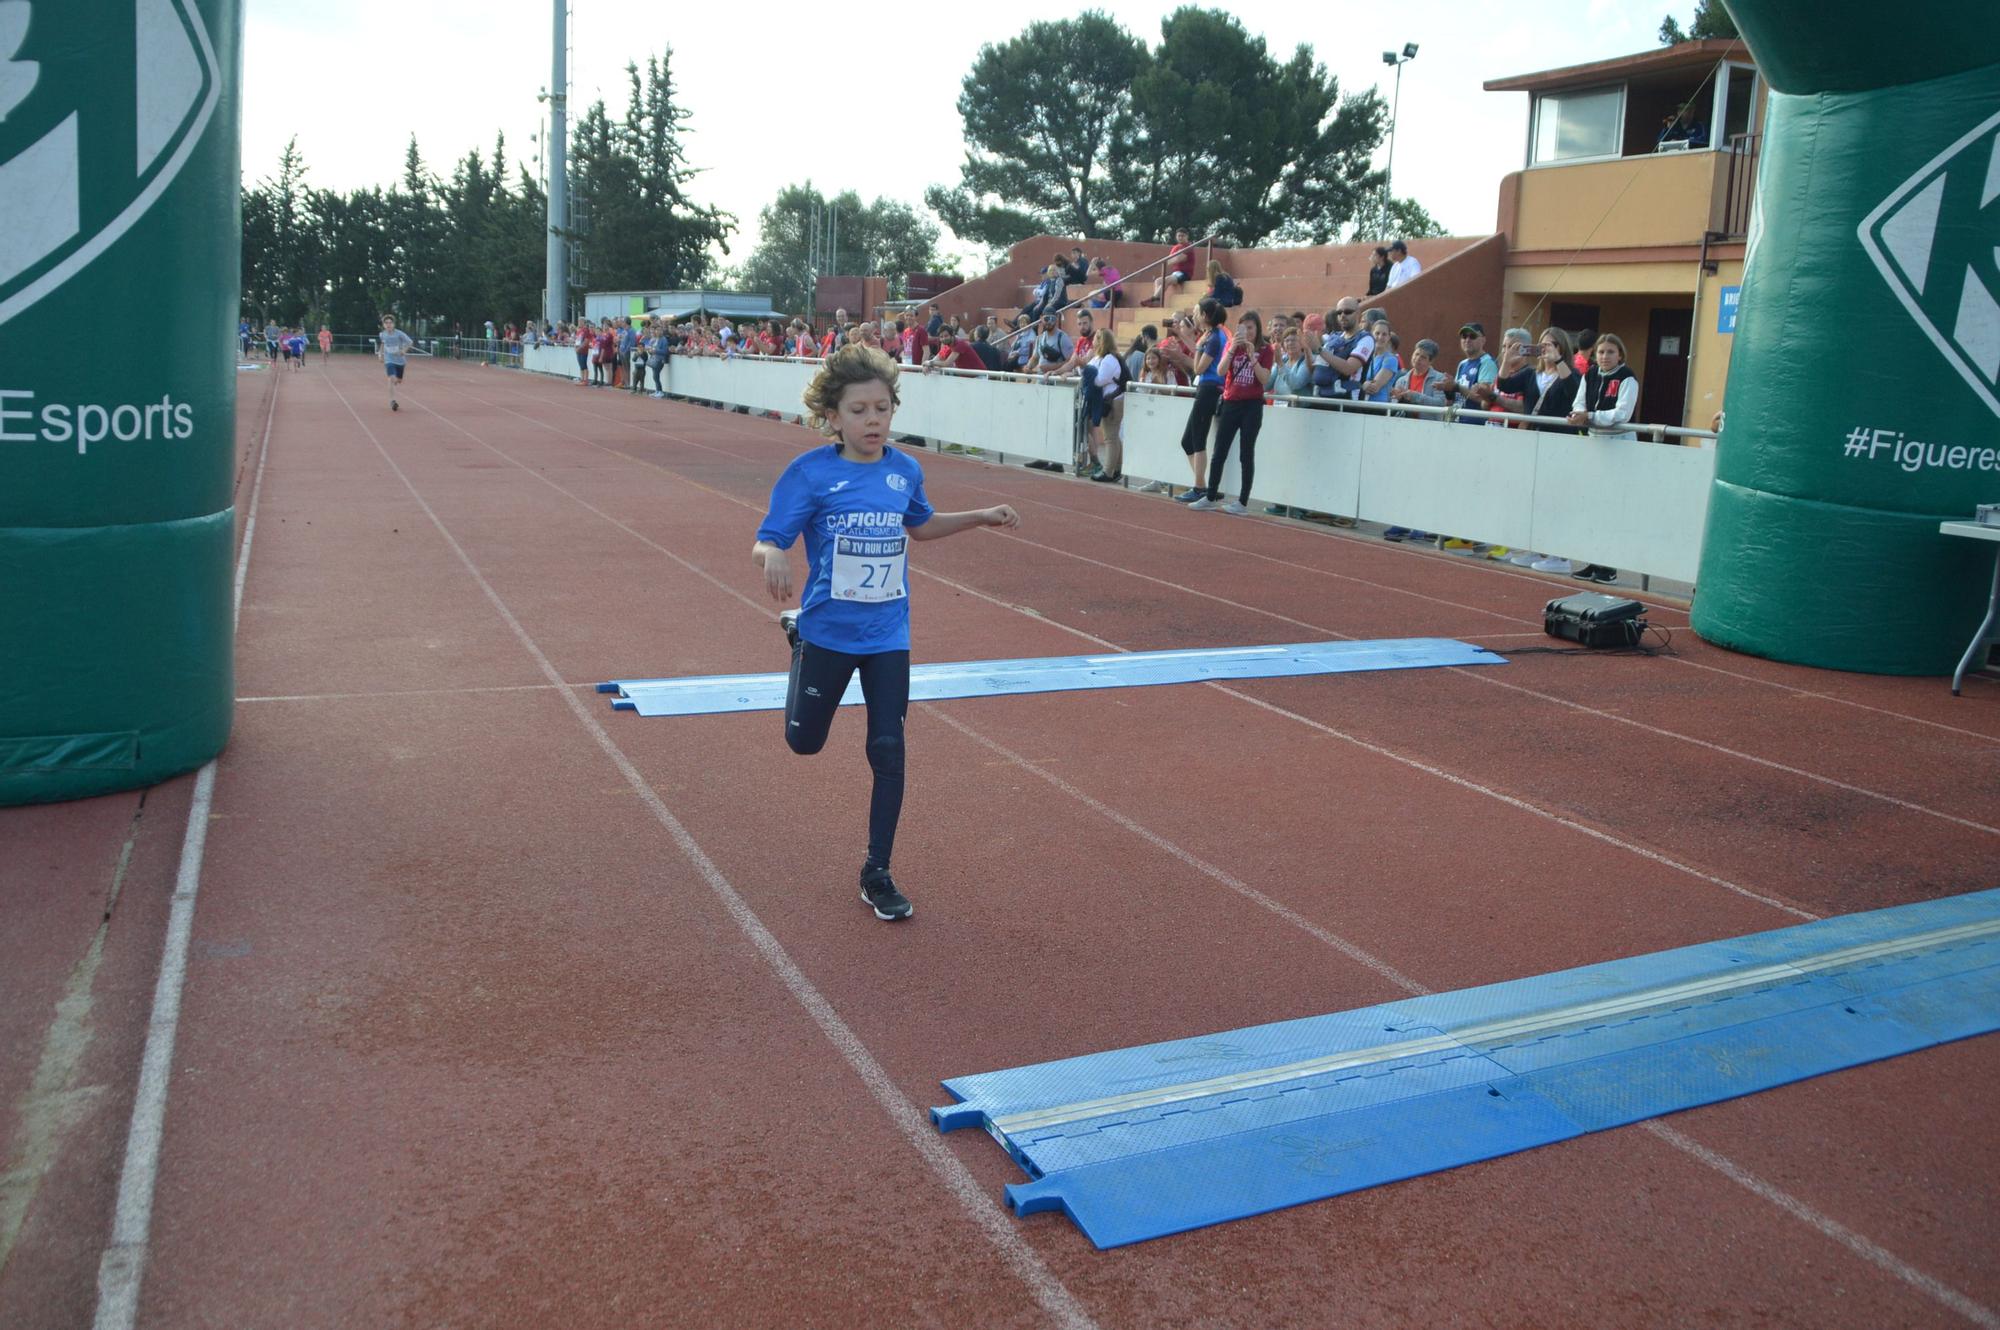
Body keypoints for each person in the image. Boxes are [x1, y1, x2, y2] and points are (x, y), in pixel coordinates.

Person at [751, 345, 1020, 922]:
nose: (873, 420)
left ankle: (877, 872)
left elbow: (920, 526)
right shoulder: (810, 474)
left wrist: (979, 516)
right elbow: (768, 538)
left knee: (888, 748)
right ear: (832, 416)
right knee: (804, 743)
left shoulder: (905, 470)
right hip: (828, 632)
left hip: (887, 634)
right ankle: (798, 640)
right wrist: (772, 553)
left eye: (882, 408)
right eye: (859, 411)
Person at [1189, 310, 1272, 514]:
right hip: (1231, 403)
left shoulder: (1265, 349)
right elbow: (1220, 371)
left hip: (1252, 405)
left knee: (1246, 453)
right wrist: (1233, 349)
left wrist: (1252, 356)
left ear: (1257, 328)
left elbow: (1264, 379)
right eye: (1243, 328)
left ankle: (1242, 502)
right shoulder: (1231, 345)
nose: (1247, 332)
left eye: (1251, 328)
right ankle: (1210, 496)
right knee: (1219, 452)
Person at [1168, 300, 1228, 503]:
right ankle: (1203, 485)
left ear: (1205, 315)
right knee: (1188, 441)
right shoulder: (1210, 335)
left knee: (1197, 440)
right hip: (1206, 388)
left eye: (1196, 313)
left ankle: (1200, 487)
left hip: (1209, 389)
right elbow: (1200, 355)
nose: (1193, 316)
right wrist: (1186, 338)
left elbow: (1199, 368)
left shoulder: (1214, 338)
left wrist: (1198, 348)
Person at [1086, 329, 1126, 483]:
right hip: (1110, 400)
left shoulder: (1109, 359)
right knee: (1113, 436)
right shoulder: (1103, 358)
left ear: (1101, 341)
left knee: (1110, 437)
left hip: (1113, 401)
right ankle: (1117, 469)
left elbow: (1099, 380)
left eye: (1096, 338)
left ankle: (1108, 471)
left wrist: (1088, 371)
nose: (1093, 341)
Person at [377, 314, 413, 411]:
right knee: (391, 378)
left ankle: (396, 380)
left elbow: (410, 342)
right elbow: (383, 344)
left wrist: (404, 350)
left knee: (398, 380)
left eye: (390, 323)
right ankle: (392, 401)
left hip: (400, 361)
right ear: (383, 325)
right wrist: (380, 355)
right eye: (386, 323)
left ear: (394, 324)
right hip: (389, 360)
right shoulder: (382, 334)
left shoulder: (399, 334)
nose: (388, 325)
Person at [1150, 228, 1195, 305]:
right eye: (1179, 236)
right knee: (1158, 281)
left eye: (1182, 236)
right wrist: (1175, 258)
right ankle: (1157, 301)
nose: (1180, 237)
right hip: (1175, 273)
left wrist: (1175, 258)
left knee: (1167, 280)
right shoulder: (1176, 247)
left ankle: (1154, 299)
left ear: (1187, 236)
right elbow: (1168, 261)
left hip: (1185, 274)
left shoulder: (1188, 247)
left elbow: (1180, 258)